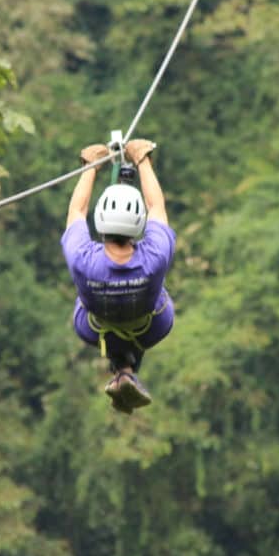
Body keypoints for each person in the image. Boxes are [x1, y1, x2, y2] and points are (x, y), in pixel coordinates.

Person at [61, 138, 176, 414]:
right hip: (152, 327)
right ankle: (125, 371)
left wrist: (90, 167)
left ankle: (122, 370)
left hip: (93, 327)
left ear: (100, 219)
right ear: (138, 225)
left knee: (103, 310)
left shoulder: (82, 258)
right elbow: (156, 207)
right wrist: (142, 159)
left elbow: (76, 211)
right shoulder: (155, 256)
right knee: (145, 302)